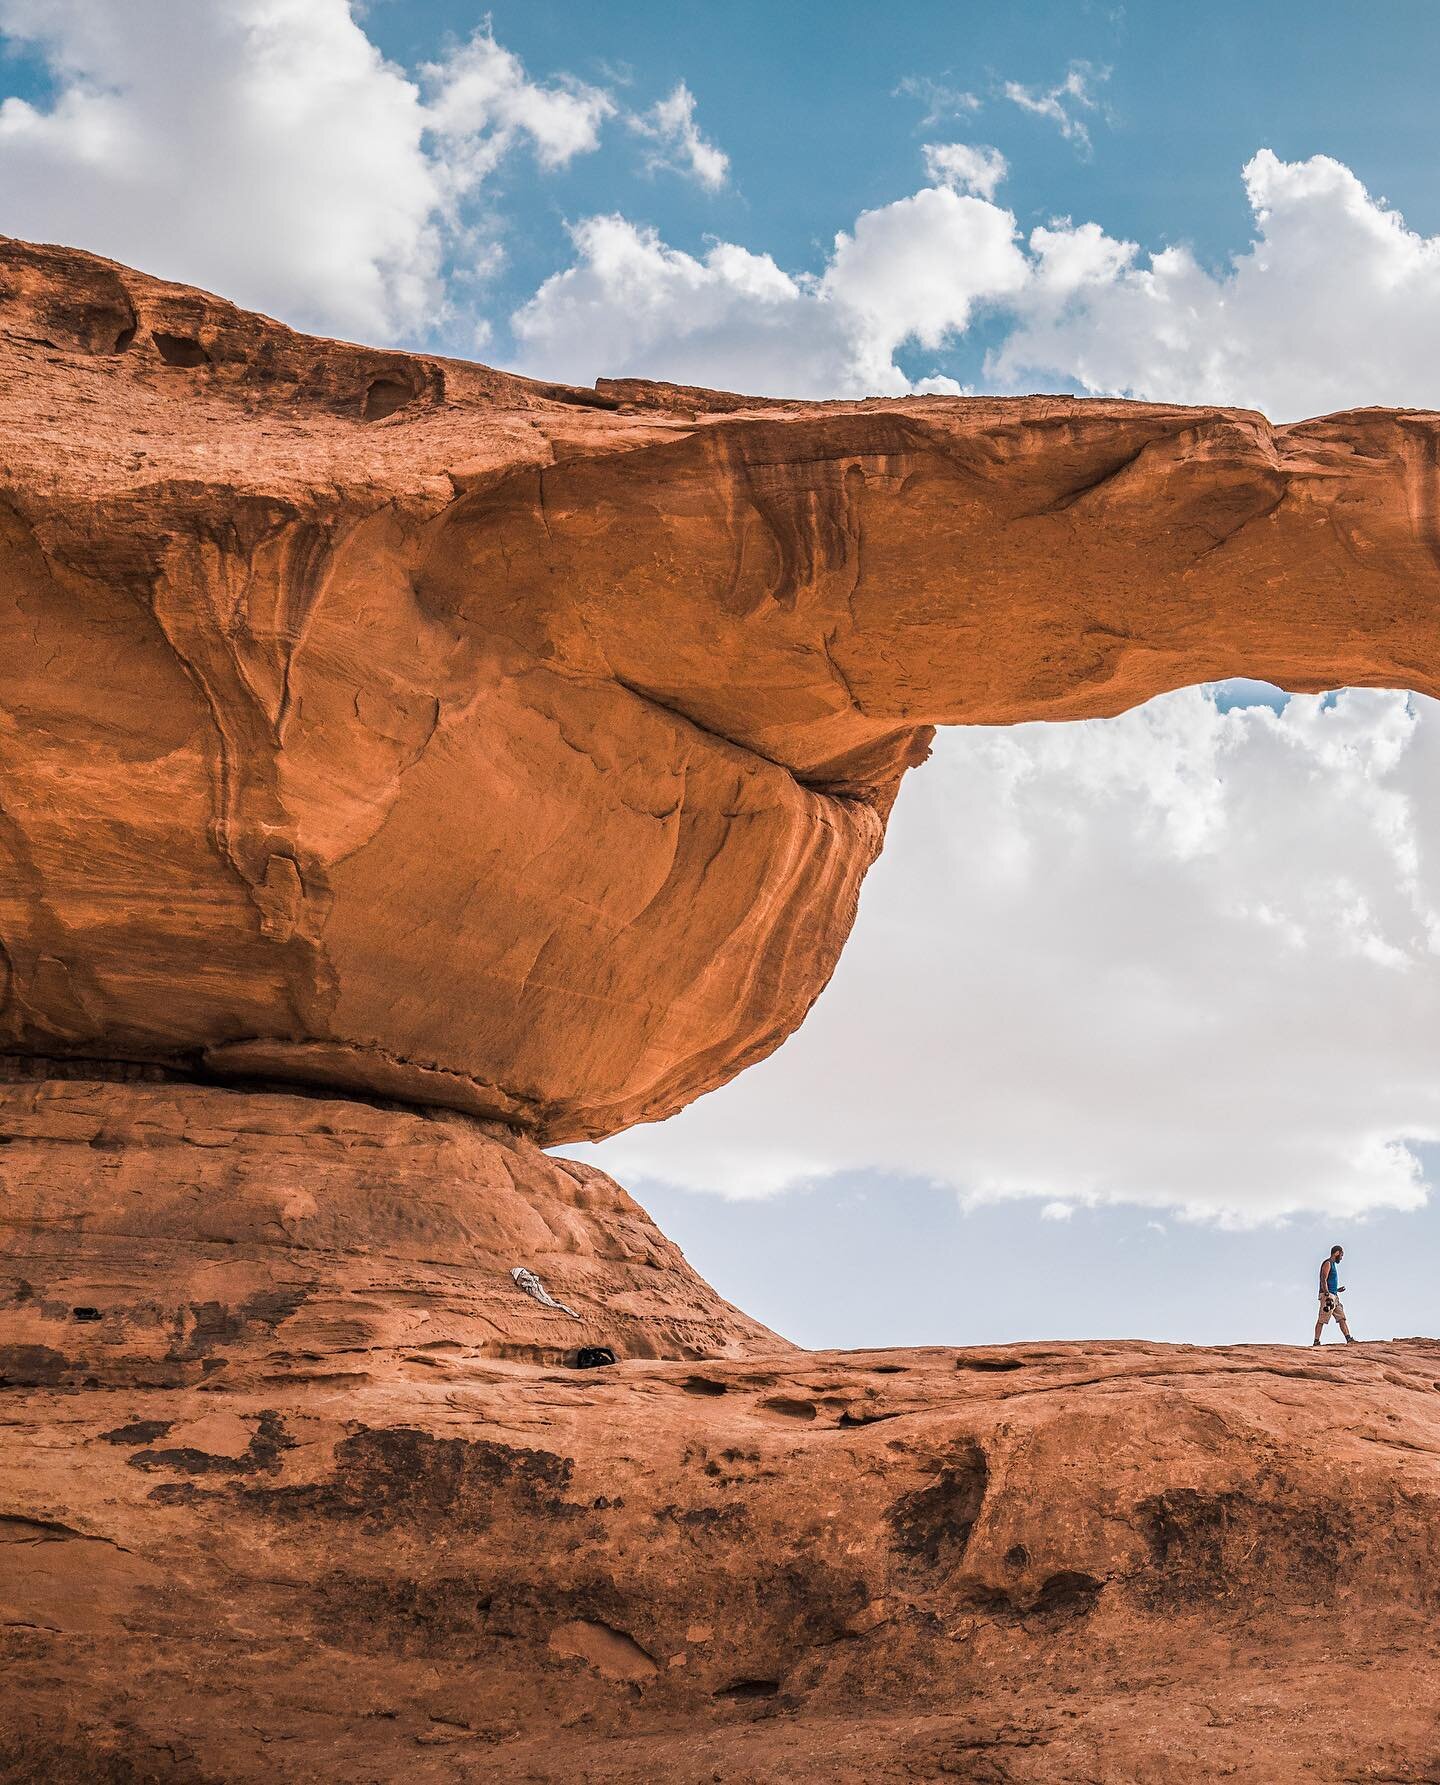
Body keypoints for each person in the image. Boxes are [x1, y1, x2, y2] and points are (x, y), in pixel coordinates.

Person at [1312, 1245, 1356, 1346]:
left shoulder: (1333, 1264)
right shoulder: (1328, 1263)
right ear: (1336, 1253)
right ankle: (1316, 1341)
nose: (1341, 1257)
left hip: (1334, 1296)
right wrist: (1327, 1293)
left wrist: (1336, 1290)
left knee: (1341, 1317)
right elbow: (1323, 1278)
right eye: (1341, 1255)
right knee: (1322, 1318)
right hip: (1328, 1296)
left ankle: (1348, 1338)